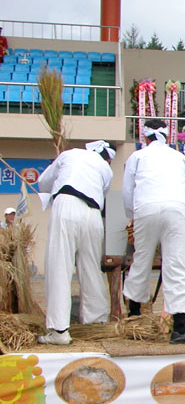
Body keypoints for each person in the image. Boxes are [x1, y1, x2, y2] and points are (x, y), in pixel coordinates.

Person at [122, 119, 185, 344]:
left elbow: (128, 192)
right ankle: (179, 328)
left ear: (145, 137)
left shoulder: (137, 156)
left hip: (145, 208)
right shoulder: (179, 157)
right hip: (175, 209)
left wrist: (132, 214)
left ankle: (134, 319)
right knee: (177, 265)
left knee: (141, 260)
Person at [36, 140, 115, 345]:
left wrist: (50, 193)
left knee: (59, 266)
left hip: (67, 205)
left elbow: (44, 181)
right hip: (93, 214)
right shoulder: (105, 168)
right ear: (107, 158)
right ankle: (96, 321)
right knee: (91, 268)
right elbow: (102, 192)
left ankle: (59, 330)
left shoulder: (69, 154)